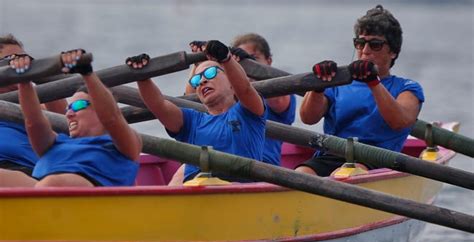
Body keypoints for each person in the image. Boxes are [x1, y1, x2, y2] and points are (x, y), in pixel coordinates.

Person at [296, 5, 425, 177]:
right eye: (360, 43)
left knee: (350, 174)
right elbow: (308, 118)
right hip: (332, 155)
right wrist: (317, 87)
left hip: (379, 160)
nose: (365, 51)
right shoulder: (338, 83)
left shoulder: (407, 88)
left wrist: (373, 82)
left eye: (375, 45)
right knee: (301, 173)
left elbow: (399, 121)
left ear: (393, 51)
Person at [126, 40, 266, 184]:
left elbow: (245, 89)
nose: (201, 82)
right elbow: (158, 105)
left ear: (231, 81)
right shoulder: (191, 121)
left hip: (239, 189)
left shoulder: (247, 112)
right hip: (196, 190)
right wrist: (142, 78)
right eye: (196, 80)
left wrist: (226, 59)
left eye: (210, 73)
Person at [0, 49, 142, 187]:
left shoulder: (126, 144)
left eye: (78, 105)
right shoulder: (54, 144)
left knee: (54, 183)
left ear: (99, 108)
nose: (68, 113)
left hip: (92, 201)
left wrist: (87, 73)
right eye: (68, 107)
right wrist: (24, 80)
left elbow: (112, 117)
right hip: (42, 193)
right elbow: (33, 121)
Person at [186, 34, 296, 166]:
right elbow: (190, 99)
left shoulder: (282, 91)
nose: (244, 65)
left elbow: (277, 101)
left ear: (269, 61)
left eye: (253, 58)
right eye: (241, 61)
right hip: (218, 159)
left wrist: (249, 73)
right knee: (185, 168)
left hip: (263, 165)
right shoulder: (221, 91)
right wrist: (199, 63)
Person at [0, 34, 67, 184]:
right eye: (11, 59)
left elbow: (64, 118)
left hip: (32, 174)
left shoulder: (38, 107)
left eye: (23, 58)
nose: (19, 63)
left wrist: (41, 72)